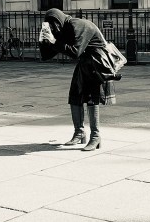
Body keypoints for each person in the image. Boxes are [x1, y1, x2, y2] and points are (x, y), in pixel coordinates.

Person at [39, 8, 120, 151]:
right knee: (75, 96)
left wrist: (54, 41)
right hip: (85, 62)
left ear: (59, 20)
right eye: (50, 26)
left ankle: (95, 136)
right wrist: (44, 40)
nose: (54, 29)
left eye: (54, 25)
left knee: (91, 99)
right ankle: (79, 132)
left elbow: (75, 52)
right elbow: (46, 55)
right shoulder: (63, 29)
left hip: (97, 62)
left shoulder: (77, 25)